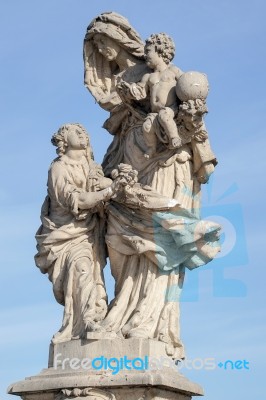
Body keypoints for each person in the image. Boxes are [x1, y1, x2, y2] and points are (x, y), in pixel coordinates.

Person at [84, 13, 219, 358]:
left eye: (107, 45)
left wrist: (184, 122)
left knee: (156, 240)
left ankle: (147, 319)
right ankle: (123, 309)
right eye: (98, 48)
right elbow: (134, 106)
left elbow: (186, 121)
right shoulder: (140, 82)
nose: (104, 53)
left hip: (167, 166)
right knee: (121, 237)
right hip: (138, 163)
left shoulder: (175, 78)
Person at [35, 123, 117, 344]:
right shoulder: (59, 169)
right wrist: (110, 191)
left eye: (84, 130)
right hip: (66, 234)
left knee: (94, 274)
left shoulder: (92, 166)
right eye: (75, 130)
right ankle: (80, 324)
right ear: (64, 139)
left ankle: (93, 317)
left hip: (91, 231)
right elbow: (77, 201)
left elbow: (104, 182)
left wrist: (111, 181)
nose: (82, 132)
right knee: (81, 269)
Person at [117, 33, 183, 158]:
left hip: (170, 108)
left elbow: (185, 83)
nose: (145, 55)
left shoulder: (173, 71)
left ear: (160, 51)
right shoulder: (148, 76)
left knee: (165, 117)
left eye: (148, 51)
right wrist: (130, 90)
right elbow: (141, 92)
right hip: (154, 112)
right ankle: (151, 148)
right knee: (147, 127)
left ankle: (174, 138)